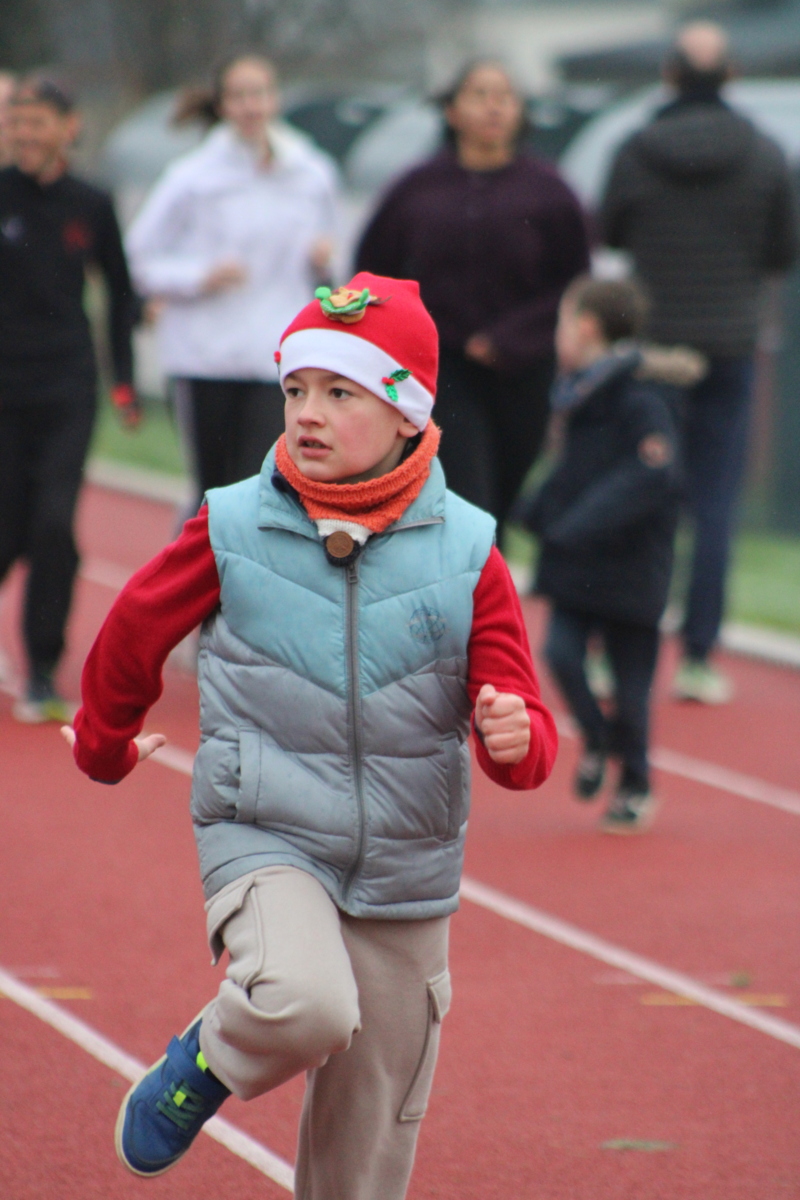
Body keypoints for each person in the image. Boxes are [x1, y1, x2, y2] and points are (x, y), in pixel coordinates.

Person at [63, 273, 558, 1194]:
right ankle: (206, 1061)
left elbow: (521, 714)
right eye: (295, 390)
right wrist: (103, 742)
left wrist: (516, 735)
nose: (308, 414)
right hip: (268, 828)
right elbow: (133, 627)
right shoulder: (233, 523)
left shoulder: (469, 549)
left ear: (407, 414)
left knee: (371, 1134)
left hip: (407, 859)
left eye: (340, 393)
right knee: (305, 1003)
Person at [600, 21, 799, 704]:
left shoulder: (634, 149)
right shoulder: (767, 154)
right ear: (733, 76)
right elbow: (783, 250)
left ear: (670, 76)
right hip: (729, 345)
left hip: (653, 347)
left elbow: (611, 233)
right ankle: (698, 658)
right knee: (714, 505)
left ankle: (614, 651)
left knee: (636, 494)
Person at [355, 60, 589, 540]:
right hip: (439, 370)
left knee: (501, 498)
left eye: (504, 96)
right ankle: (474, 582)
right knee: (467, 495)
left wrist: (511, 337)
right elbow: (372, 274)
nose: (493, 107)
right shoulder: (415, 189)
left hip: (523, 370)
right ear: (451, 110)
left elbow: (574, 285)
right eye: (479, 95)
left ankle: (484, 577)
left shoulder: (549, 192)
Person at [521, 277, 702, 832]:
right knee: (560, 654)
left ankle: (636, 783)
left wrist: (576, 523)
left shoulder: (642, 396)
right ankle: (598, 740)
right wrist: (535, 509)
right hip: (579, 563)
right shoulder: (578, 392)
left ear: (587, 327)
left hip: (631, 564)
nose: (556, 335)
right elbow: (574, 468)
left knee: (631, 685)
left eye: (562, 322)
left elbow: (651, 474)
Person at [126, 53, 338, 506]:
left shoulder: (311, 172)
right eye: (239, 96)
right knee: (215, 488)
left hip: (277, 357)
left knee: (263, 483)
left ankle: (244, 554)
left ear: (275, 99)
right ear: (221, 105)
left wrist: (322, 261)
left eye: (259, 93)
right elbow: (138, 258)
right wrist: (200, 276)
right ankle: (200, 550)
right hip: (205, 356)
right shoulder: (192, 177)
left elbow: (336, 260)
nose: (250, 106)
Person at [0, 75, 137, 723]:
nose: (24, 135)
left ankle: (42, 668)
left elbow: (120, 292)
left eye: (36, 123)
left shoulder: (92, 202)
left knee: (54, 525)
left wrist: (125, 381)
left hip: (66, 386)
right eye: (16, 123)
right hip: (3, 389)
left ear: (67, 128)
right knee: (7, 526)